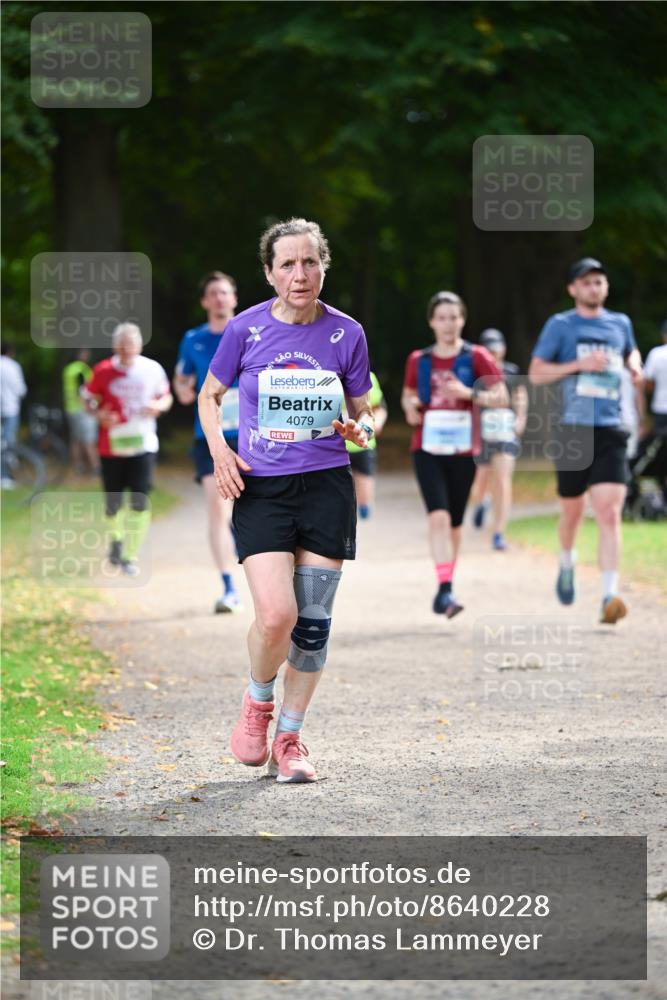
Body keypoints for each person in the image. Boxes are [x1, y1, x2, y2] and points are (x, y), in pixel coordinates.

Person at [198, 218, 373, 783]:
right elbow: (209, 395)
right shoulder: (245, 329)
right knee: (277, 616)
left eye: (310, 262)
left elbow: (366, 413)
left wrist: (362, 432)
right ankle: (258, 701)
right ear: (270, 273)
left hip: (326, 488)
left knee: (313, 624)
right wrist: (221, 452)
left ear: (324, 267)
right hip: (263, 489)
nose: (300, 274)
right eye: (288, 264)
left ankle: (291, 740)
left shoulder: (347, 333)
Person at [528, 257, 643, 624]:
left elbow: (630, 350)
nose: (594, 287)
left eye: (599, 282)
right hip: (572, 428)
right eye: (586, 282)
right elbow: (536, 373)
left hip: (611, 427)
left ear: (605, 287)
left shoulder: (620, 323)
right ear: (573, 289)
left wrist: (634, 364)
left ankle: (609, 595)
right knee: (572, 510)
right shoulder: (560, 325)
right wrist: (579, 365)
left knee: (609, 511)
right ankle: (567, 562)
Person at [401, 292, 505, 618]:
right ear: (432, 322)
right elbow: (408, 394)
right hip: (427, 447)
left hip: (463, 449)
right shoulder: (419, 359)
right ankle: (445, 588)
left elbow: (501, 395)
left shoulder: (477, 356)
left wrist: (468, 393)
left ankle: (446, 581)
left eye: (454, 317)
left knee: (456, 524)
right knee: (439, 517)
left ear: (463, 320)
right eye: (442, 318)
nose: (448, 324)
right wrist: (409, 407)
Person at [174, 271, 243, 613]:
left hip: (250, 436)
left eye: (224, 292)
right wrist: (182, 390)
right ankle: (228, 588)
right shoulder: (193, 339)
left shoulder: (250, 332)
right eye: (213, 293)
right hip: (209, 437)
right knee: (217, 509)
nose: (219, 298)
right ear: (205, 301)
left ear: (234, 298)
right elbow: (181, 379)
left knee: (255, 508)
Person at [82, 323, 173, 576]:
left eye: (130, 345)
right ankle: (117, 539)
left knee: (140, 501)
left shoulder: (152, 369)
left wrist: (159, 406)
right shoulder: (103, 370)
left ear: (139, 345)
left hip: (143, 444)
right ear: (114, 346)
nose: (126, 350)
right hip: (111, 446)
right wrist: (99, 414)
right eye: (121, 346)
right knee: (113, 502)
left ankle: (130, 555)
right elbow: (87, 399)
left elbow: (166, 397)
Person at [470, 328, 528, 550]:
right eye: (489, 350)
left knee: (503, 480)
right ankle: (482, 502)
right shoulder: (475, 372)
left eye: (497, 348)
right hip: (482, 432)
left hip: (505, 430)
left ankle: (499, 532)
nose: (494, 353)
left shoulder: (512, 371)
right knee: (481, 479)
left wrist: (520, 419)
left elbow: (520, 396)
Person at [346, 370, 387, 519]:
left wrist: (377, 425)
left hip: (362, 446)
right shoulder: (324, 374)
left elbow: (379, 407)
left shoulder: (367, 376)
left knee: (364, 503)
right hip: (333, 449)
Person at [62, 348, 99, 474]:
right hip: (82, 410)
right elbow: (83, 392)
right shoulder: (81, 369)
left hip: (70, 408)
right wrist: (91, 409)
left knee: (76, 439)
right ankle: (96, 467)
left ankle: (78, 466)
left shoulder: (69, 369)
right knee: (89, 439)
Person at [0, 342, 27, 489]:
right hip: (11, 409)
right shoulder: (13, 366)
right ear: (11, 352)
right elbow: (20, 389)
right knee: (8, 443)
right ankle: (5, 476)